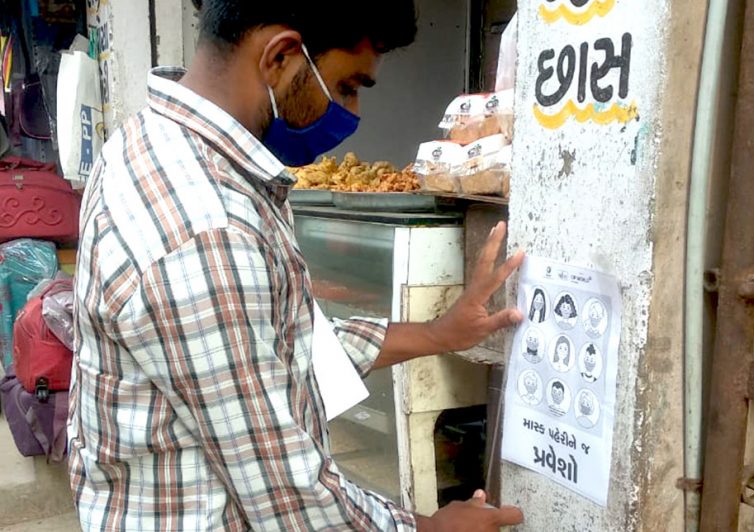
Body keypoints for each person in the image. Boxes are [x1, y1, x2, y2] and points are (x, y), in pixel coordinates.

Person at [66, 2, 525, 531]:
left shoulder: (151, 142)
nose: (351, 112)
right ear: (282, 56)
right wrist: (431, 528)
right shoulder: (205, 228)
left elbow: (286, 351)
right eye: (348, 87)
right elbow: (286, 496)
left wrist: (441, 333)